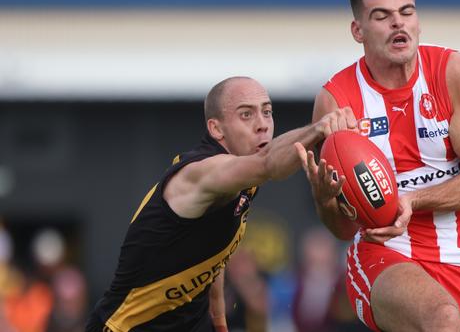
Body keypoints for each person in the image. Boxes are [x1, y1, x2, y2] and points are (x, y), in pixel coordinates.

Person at [296, 0, 460, 331]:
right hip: (382, 255)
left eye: (406, 12)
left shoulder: (456, 74)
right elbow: (342, 229)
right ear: (358, 31)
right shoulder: (337, 102)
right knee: (441, 318)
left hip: (459, 258)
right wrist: (325, 198)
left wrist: (413, 201)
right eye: (381, 16)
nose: (397, 24)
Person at [85, 76, 357, 332]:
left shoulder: (242, 178)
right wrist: (319, 128)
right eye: (246, 114)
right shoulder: (201, 172)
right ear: (216, 128)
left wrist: (219, 320)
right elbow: (268, 164)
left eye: (267, 111)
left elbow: (214, 255)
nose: (262, 124)